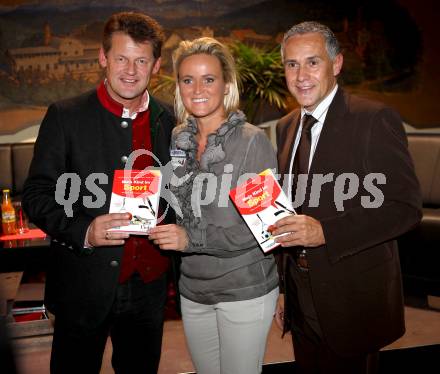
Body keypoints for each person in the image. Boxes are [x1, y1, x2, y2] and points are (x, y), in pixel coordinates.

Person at [22, 12, 175, 374]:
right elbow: (37, 195)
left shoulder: (169, 118)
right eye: (121, 58)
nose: (131, 70)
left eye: (142, 60)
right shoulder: (65, 116)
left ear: (156, 65)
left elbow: (178, 190)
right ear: (103, 58)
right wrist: (85, 231)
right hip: (82, 285)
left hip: (149, 287)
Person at [272, 21, 422, 374]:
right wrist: (284, 291)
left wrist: (326, 232)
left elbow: (405, 208)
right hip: (300, 291)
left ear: (336, 64)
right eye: (292, 64)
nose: (301, 75)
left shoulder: (373, 119)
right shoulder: (286, 126)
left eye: (313, 62)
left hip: (353, 296)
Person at [148, 37, 279, 374]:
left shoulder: (253, 141)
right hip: (192, 291)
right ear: (178, 86)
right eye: (187, 79)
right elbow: (178, 202)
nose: (197, 89)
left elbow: (264, 227)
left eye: (209, 79)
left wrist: (190, 239)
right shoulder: (179, 138)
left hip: (244, 290)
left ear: (226, 85)